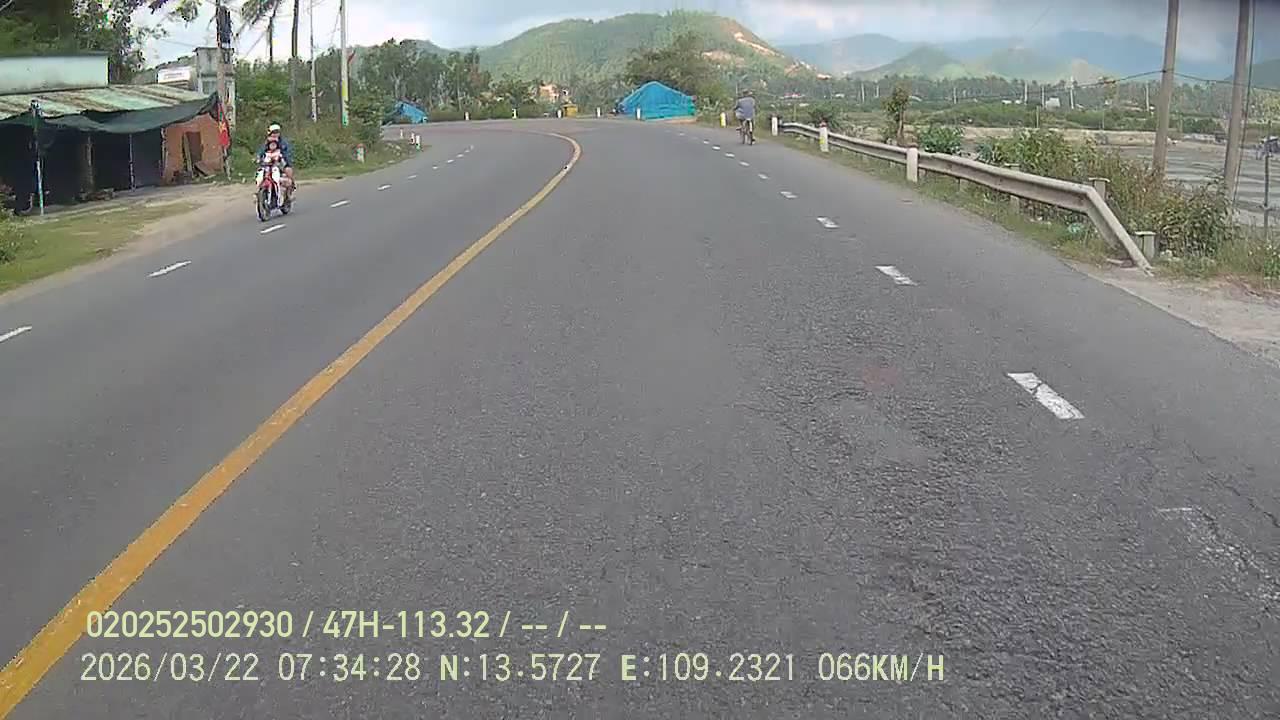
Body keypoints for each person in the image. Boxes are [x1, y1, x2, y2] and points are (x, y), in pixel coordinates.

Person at [257, 123, 295, 197]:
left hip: (281, 163)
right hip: (268, 164)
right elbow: (261, 151)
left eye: (277, 132)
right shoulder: (266, 143)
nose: (275, 134)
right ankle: (261, 193)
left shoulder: (283, 143)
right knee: (261, 174)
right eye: (273, 132)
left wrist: (286, 159)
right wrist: (258, 158)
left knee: (288, 171)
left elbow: (288, 153)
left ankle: (289, 192)